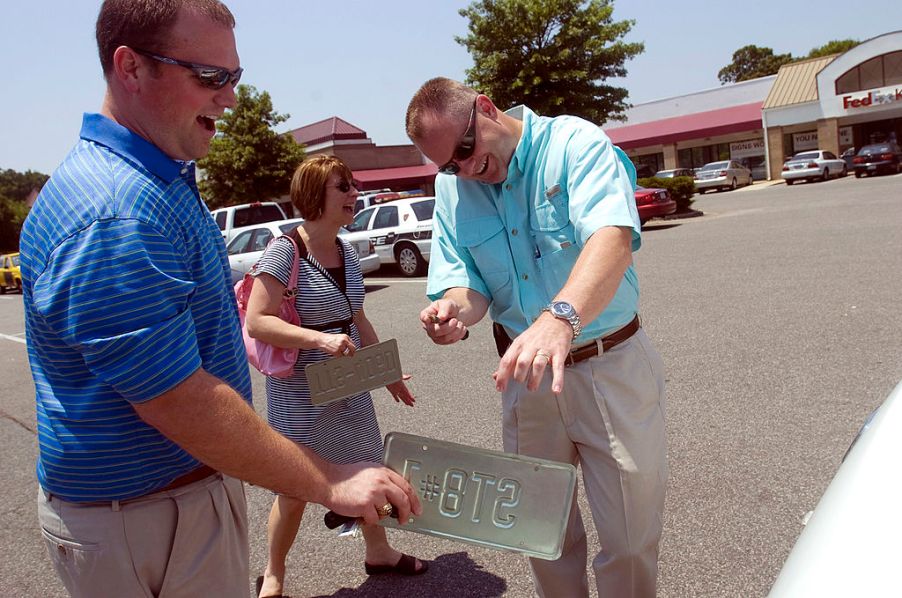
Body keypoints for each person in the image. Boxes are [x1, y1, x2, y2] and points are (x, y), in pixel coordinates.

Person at [19, 2, 419, 597]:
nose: (229, 99)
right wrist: (331, 482)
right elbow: (175, 399)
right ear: (130, 68)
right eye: (210, 77)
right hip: (148, 520)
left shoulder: (156, 180)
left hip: (172, 504)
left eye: (235, 77)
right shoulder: (116, 212)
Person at [405, 78, 667, 598]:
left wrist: (560, 317)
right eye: (448, 166)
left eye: (465, 150)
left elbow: (611, 240)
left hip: (606, 361)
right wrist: (451, 312)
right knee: (540, 533)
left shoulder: (574, 144)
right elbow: (466, 286)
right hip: (525, 377)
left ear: (485, 107)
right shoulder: (455, 186)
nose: (465, 170)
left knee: (631, 538)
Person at [246, 155, 428, 597]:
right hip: (300, 397)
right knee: (294, 489)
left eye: (352, 184)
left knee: (367, 471)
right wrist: (318, 339)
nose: (353, 193)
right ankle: (273, 575)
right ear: (314, 195)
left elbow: (357, 321)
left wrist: (388, 374)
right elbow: (256, 321)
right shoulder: (286, 251)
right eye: (341, 187)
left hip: (347, 389)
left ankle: (378, 551)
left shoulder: (346, 251)